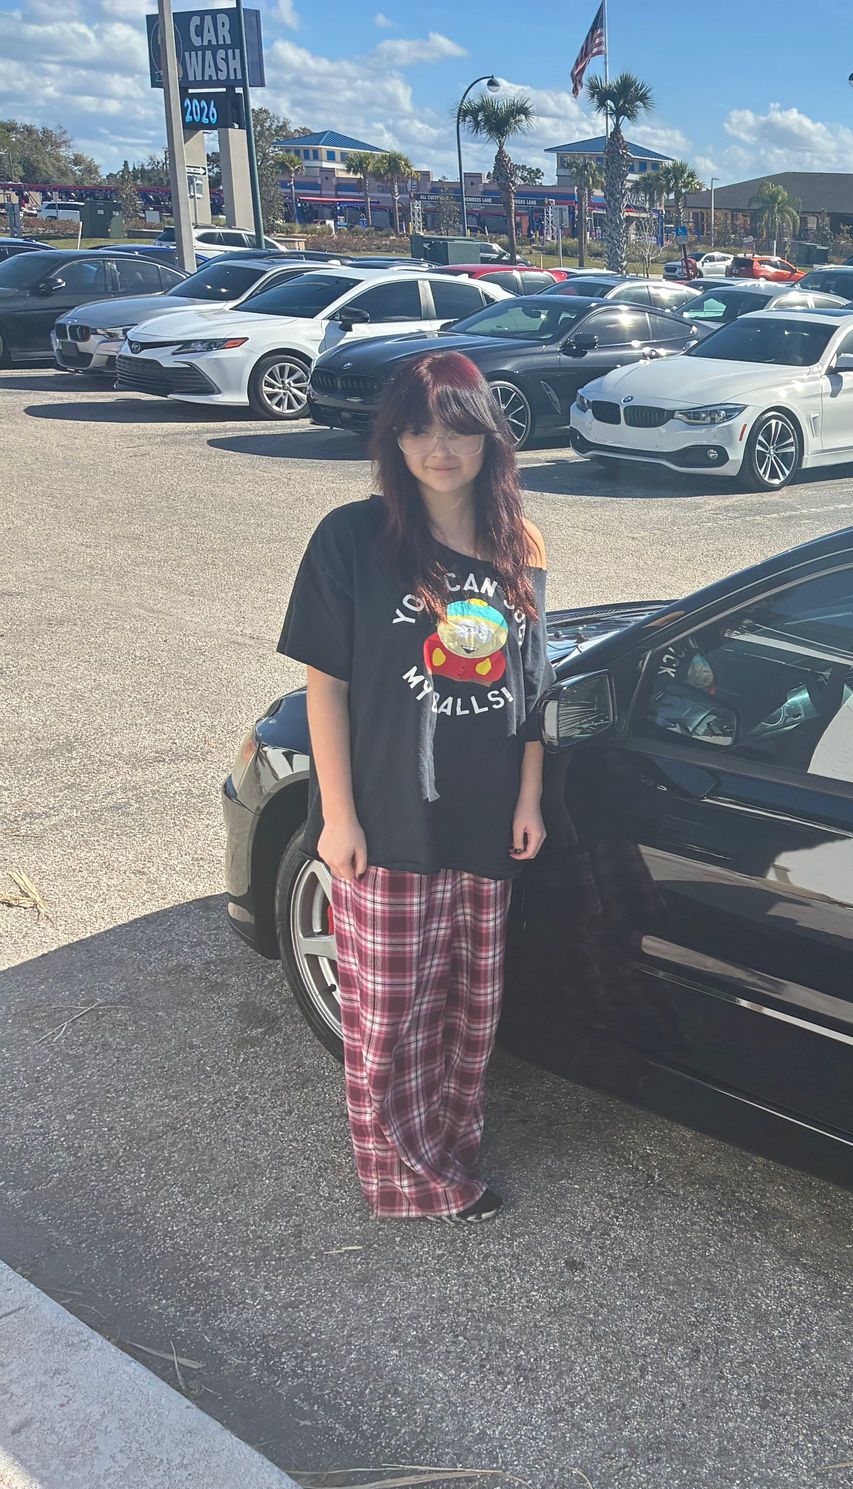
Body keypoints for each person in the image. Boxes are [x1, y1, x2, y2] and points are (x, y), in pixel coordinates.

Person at [278, 351, 551, 1223]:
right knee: (390, 1014)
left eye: (459, 429)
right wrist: (337, 818)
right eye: (419, 429)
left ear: (490, 438)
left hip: (486, 815)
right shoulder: (353, 539)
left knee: (470, 1009)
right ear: (393, 440)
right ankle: (406, 1179)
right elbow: (326, 687)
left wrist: (527, 797)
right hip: (387, 817)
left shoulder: (518, 545)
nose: (440, 449)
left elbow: (531, 687)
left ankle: (451, 1147)